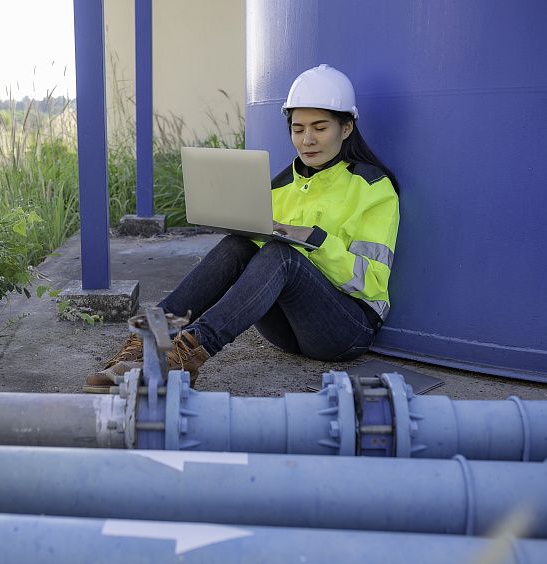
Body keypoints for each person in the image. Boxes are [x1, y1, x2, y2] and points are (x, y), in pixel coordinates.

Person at [83, 64, 400, 393]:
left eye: (320, 128)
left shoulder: (373, 188)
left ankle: (183, 357)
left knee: (283, 255)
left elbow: (371, 281)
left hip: (345, 329)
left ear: (346, 128)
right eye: (297, 128)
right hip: (287, 331)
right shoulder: (279, 185)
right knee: (239, 244)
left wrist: (313, 240)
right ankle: (146, 340)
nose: (307, 140)